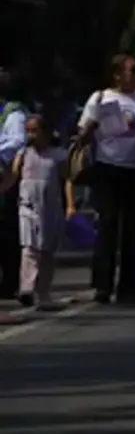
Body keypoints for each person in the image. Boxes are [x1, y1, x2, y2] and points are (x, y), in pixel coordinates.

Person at [78, 54, 135, 305]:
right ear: (117, 74)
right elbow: (81, 137)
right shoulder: (101, 98)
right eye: (132, 70)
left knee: (133, 228)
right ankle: (103, 285)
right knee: (108, 225)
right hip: (108, 167)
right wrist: (92, 127)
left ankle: (128, 286)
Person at [0, 114, 70, 311]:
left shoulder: (58, 155)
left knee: (47, 250)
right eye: (28, 131)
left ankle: (44, 292)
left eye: (35, 131)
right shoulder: (23, 154)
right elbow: (13, 177)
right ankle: (26, 289)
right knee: (29, 248)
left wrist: (71, 205)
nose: (31, 135)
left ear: (46, 133)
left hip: (50, 206)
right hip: (28, 206)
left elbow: (67, 180)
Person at [0, 68, 29, 299]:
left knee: (7, 230)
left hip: (5, 176)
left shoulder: (13, 112)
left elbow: (18, 140)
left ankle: (9, 282)